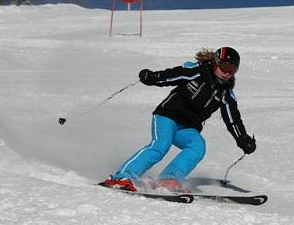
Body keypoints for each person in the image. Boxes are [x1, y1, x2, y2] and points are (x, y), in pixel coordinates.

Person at [100, 47, 256, 193]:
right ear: (216, 63)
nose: (228, 73)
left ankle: (168, 179)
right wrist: (153, 77)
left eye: (233, 70)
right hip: (167, 116)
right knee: (161, 145)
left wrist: (242, 139)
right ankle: (121, 178)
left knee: (197, 146)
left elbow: (233, 119)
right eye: (225, 67)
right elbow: (173, 75)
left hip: (188, 127)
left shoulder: (225, 93)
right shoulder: (197, 72)